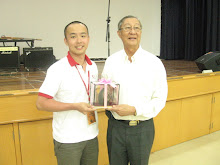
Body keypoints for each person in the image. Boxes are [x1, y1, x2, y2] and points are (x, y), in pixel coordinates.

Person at [102, 15, 168, 165]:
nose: (133, 31)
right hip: (115, 128)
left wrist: (134, 110)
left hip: (142, 129)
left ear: (141, 32)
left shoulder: (154, 63)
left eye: (136, 27)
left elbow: (160, 99)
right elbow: (105, 93)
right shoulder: (111, 61)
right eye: (127, 28)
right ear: (119, 33)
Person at [36, 21, 99, 165]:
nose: (79, 41)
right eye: (73, 36)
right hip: (68, 139)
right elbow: (41, 103)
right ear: (66, 41)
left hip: (91, 134)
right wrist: (75, 106)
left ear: (88, 38)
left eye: (83, 36)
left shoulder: (92, 66)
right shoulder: (57, 69)